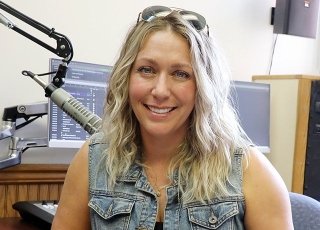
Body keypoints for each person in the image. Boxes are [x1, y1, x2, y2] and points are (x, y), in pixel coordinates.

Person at [52, 5, 293, 230]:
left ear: (204, 86)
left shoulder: (250, 172)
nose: (160, 91)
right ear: (126, 76)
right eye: (147, 70)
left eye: (180, 74)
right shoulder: (93, 161)